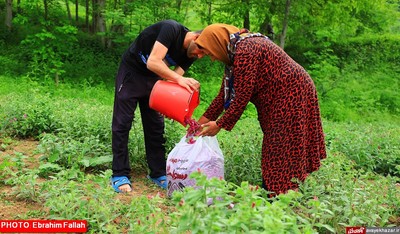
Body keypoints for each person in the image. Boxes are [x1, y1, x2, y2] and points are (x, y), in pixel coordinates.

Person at [194, 23, 326, 196]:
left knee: (278, 147)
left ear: (218, 43)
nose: (211, 58)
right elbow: (222, 98)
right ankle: (280, 191)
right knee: (280, 145)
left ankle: (277, 195)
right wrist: (197, 126)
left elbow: (241, 96)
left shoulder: (246, 50)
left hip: (291, 91)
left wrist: (219, 124)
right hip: (283, 94)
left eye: (210, 52)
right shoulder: (235, 54)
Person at [111, 20, 204, 193]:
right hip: (132, 72)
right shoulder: (171, 29)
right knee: (122, 123)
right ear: (196, 38)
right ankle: (119, 173)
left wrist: (169, 104)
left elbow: (172, 79)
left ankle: (157, 172)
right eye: (201, 51)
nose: (200, 56)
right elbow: (153, 62)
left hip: (155, 80)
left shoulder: (191, 54)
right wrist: (180, 80)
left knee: (155, 126)